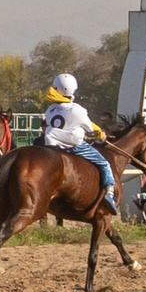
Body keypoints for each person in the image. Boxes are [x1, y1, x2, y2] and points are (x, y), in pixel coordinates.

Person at [40, 74, 119, 213]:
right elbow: (90, 128)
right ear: (73, 90)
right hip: (74, 146)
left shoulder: (50, 110)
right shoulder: (77, 109)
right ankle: (109, 194)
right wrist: (101, 135)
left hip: (54, 146)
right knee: (104, 163)